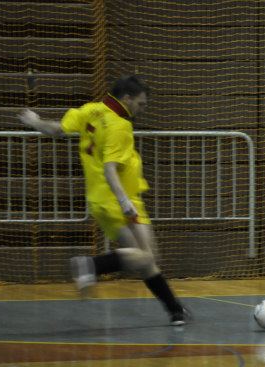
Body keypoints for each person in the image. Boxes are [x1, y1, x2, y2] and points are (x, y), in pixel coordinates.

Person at [17, 75, 190, 326]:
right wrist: (124, 202)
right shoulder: (120, 125)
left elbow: (57, 130)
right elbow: (110, 170)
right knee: (147, 256)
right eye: (140, 104)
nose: (142, 109)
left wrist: (35, 121)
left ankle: (175, 311)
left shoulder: (90, 110)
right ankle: (91, 265)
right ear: (127, 98)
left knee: (143, 258)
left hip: (99, 199)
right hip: (120, 199)